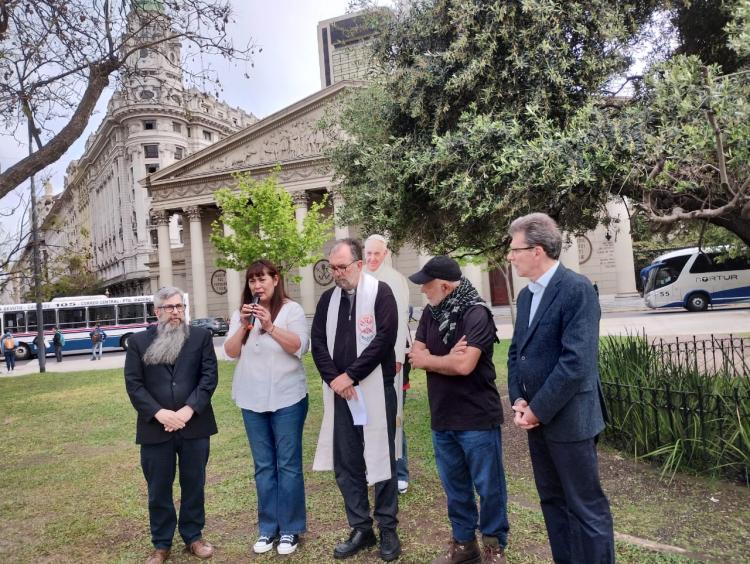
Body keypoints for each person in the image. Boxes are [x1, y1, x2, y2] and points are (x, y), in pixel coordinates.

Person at [506, 213, 614, 564]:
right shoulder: (525, 297)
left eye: (515, 248)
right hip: (537, 418)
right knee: (552, 502)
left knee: (585, 507)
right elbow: (515, 353)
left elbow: (576, 363)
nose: (510, 256)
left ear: (537, 250)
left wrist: (537, 409)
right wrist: (519, 398)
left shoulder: (576, 289)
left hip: (570, 420)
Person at [408, 255, 509, 564]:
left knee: (489, 488)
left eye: (427, 284)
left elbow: (464, 365)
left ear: (445, 286)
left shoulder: (476, 313)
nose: (423, 290)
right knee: (455, 489)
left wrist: (432, 361)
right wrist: (444, 358)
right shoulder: (431, 313)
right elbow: (416, 353)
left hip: (477, 417)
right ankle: (465, 545)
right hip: (443, 416)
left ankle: (493, 546)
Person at [311, 238, 401, 562]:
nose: (336, 273)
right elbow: (317, 343)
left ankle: (388, 527)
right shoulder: (326, 301)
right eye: (332, 268)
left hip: (375, 388)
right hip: (340, 393)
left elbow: (384, 339)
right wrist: (335, 379)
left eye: (342, 267)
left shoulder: (380, 293)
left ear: (359, 264)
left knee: (382, 456)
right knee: (347, 462)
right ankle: (361, 527)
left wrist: (352, 375)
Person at [124, 286, 218, 564]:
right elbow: (134, 384)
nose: (175, 312)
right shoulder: (139, 342)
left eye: (179, 307)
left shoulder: (200, 337)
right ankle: (161, 544)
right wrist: (160, 413)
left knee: (194, 484)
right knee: (158, 488)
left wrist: (188, 410)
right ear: (157, 312)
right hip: (156, 428)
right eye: (169, 307)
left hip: (195, 425)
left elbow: (208, 377)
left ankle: (193, 536)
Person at [223, 260, 309, 556]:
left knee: (287, 465)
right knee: (263, 467)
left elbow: (299, 346)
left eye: (262, 280)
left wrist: (270, 326)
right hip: (252, 398)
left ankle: (290, 529)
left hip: (287, 398)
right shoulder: (241, 314)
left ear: (276, 279)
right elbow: (231, 352)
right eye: (252, 282)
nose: (257, 286)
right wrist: (245, 327)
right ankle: (267, 528)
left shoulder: (291, 310)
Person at [364, 234, 412, 495]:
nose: (371, 258)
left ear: (386, 254)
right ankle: (374, 469)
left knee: (394, 415)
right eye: (368, 253)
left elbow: (399, 320)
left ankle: (399, 470)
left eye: (376, 254)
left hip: (389, 359)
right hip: (365, 360)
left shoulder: (395, 279)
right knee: (369, 416)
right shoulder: (359, 276)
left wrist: (396, 358)